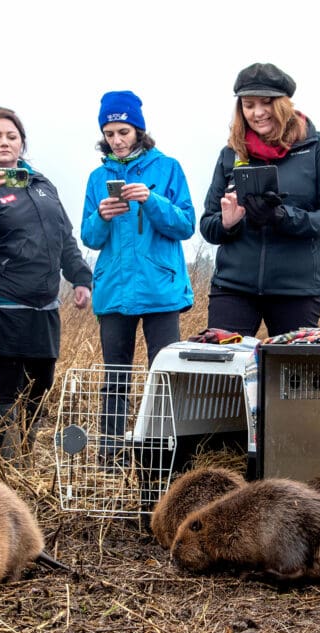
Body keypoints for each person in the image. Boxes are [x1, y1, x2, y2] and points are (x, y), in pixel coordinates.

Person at [0, 107, 92, 462]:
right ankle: (5, 463)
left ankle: (26, 453)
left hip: (43, 303)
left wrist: (79, 277)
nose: (4, 142)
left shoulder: (41, 184)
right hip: (0, 301)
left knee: (41, 384)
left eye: (11, 136)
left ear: (22, 143)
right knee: (6, 386)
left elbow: (63, 237)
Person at [81, 91, 195, 461]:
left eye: (123, 131)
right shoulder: (98, 178)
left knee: (163, 378)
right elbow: (89, 237)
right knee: (115, 378)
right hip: (114, 290)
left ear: (139, 130)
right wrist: (103, 215)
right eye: (110, 133)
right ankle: (110, 458)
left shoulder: (168, 168)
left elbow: (185, 224)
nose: (117, 139)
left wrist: (151, 200)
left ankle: (162, 456)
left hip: (160, 288)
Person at [200, 62, 320, 338]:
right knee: (222, 376)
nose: (257, 113)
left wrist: (283, 217)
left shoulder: (317, 148)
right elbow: (208, 225)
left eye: (266, 103)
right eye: (248, 104)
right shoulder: (230, 154)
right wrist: (227, 223)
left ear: (283, 104)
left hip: (296, 289)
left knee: (291, 378)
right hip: (233, 286)